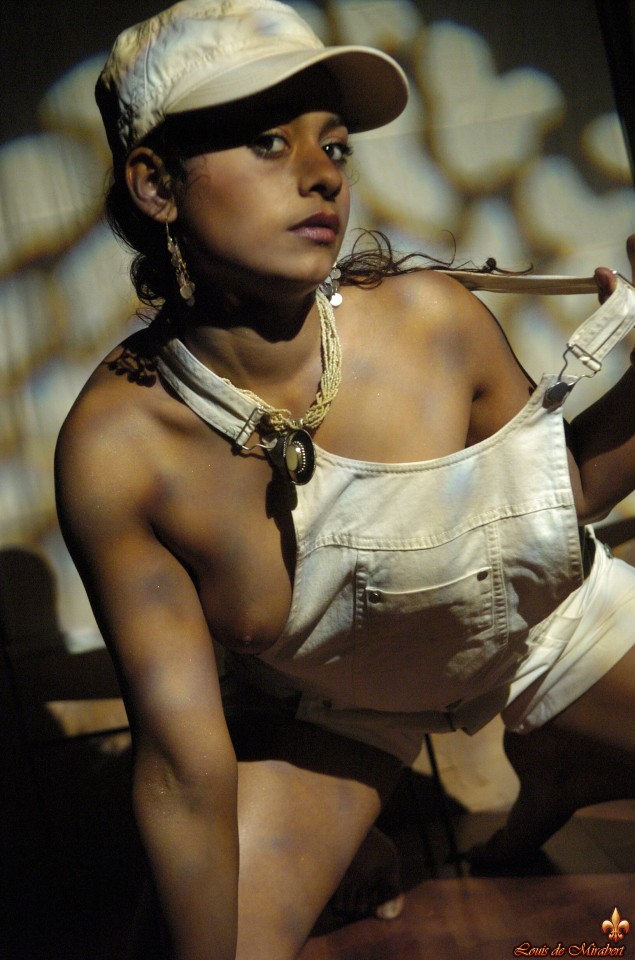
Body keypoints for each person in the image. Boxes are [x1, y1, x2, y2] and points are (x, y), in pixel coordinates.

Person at [54, 1, 635, 958]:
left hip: (545, 629)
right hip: (351, 707)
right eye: (268, 142)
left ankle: (565, 753)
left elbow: (557, 497)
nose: (322, 173)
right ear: (156, 184)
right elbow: (182, 767)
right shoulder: (120, 450)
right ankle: (374, 827)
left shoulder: (429, 322)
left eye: (334, 146)